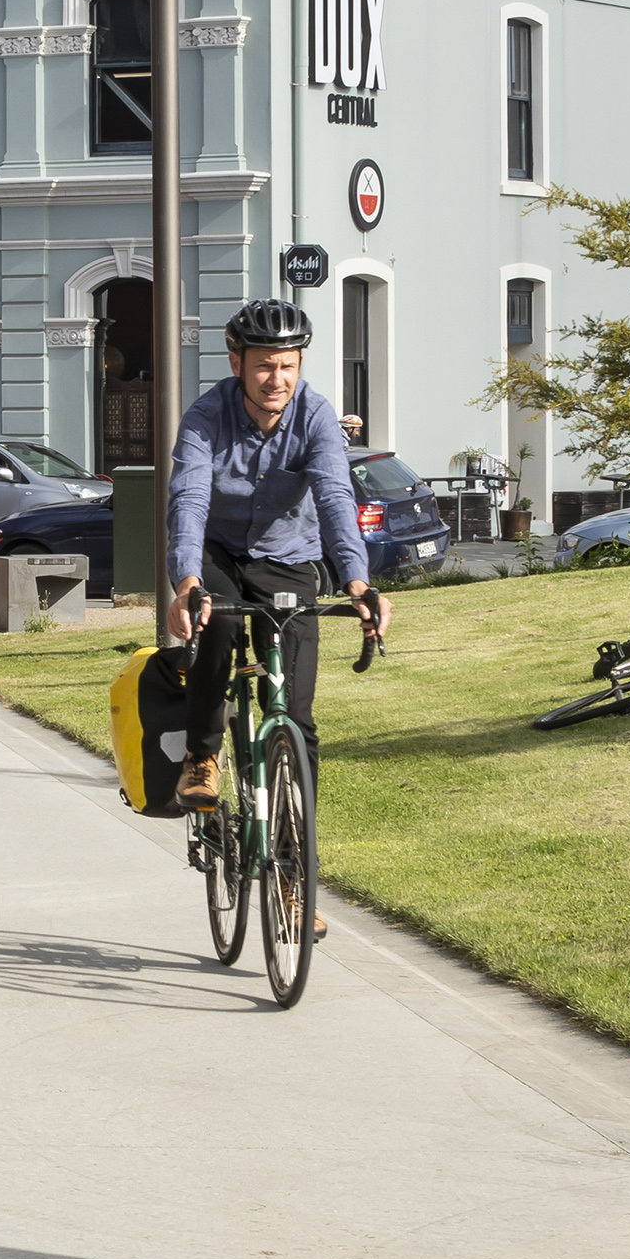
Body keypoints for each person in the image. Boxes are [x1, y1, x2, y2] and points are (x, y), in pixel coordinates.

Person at [162, 302, 386, 865]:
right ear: (237, 362)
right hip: (218, 551)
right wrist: (187, 581)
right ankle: (202, 755)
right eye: (264, 366)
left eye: (287, 366)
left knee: (295, 718)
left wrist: (359, 584)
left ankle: (295, 876)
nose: (276, 379)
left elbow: (336, 498)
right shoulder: (205, 417)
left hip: (287, 558)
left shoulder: (315, 415)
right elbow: (188, 500)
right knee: (220, 618)